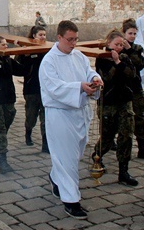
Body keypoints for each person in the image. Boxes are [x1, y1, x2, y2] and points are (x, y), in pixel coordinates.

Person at [39, 20, 103, 220]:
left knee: (75, 154)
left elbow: (88, 71)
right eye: (69, 40)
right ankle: (71, 201)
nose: (73, 43)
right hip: (60, 114)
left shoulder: (79, 56)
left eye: (76, 39)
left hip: (80, 112)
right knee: (66, 158)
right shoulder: (49, 61)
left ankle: (55, 177)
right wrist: (79, 87)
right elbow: (54, 88)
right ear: (59, 38)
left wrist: (95, 79)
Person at [92, 30, 139, 186]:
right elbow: (105, 78)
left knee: (126, 136)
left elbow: (131, 75)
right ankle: (97, 155)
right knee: (107, 136)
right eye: (116, 45)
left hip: (125, 102)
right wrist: (113, 63)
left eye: (121, 44)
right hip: (108, 104)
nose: (118, 48)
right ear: (108, 44)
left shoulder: (124, 58)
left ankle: (123, 170)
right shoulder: (102, 59)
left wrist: (119, 62)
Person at [0, 35, 26, 173]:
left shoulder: (8, 60)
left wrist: (23, 54)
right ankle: (3, 162)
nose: (6, 47)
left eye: (6, 44)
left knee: (3, 130)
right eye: (3, 45)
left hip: (8, 100)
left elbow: (21, 71)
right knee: (0, 131)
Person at [121, 19, 144, 160]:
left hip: (136, 89)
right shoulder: (117, 47)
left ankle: (142, 148)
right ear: (124, 33)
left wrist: (130, 50)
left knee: (139, 118)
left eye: (134, 33)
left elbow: (139, 65)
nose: (132, 36)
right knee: (122, 120)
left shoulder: (137, 49)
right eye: (130, 33)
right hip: (122, 89)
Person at [16, 26, 48, 153]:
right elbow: (19, 67)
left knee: (45, 118)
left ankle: (45, 143)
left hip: (45, 89)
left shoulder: (47, 50)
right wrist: (24, 54)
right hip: (31, 89)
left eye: (44, 35)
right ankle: (28, 133)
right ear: (34, 36)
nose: (43, 37)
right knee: (31, 116)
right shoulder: (27, 50)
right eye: (41, 35)